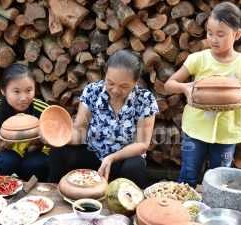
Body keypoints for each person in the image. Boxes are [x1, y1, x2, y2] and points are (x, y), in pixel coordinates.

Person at [164, 2, 241, 189]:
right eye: (209, 33)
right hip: (196, 129)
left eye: (220, 34)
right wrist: (185, 88)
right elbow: (169, 85)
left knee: (219, 179)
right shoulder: (198, 59)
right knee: (189, 174)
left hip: (227, 133)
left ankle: (213, 213)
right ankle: (182, 212)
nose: (213, 39)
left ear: (237, 34)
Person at [48, 49, 159, 189]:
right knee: (59, 152)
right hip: (93, 153)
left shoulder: (145, 99)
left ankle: (133, 206)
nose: (115, 90)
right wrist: (57, 137)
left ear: (136, 81)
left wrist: (112, 158)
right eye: (110, 83)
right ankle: (58, 194)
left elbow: (142, 144)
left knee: (135, 165)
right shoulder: (92, 91)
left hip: (122, 158)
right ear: (106, 74)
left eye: (124, 86)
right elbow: (79, 133)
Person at [0, 64, 50, 182]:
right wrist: (2, 145)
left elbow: (48, 146)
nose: (23, 98)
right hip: (5, 155)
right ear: (3, 90)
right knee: (7, 162)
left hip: (35, 156)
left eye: (29, 90)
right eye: (16, 91)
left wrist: (37, 145)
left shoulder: (43, 111)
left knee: (35, 164)